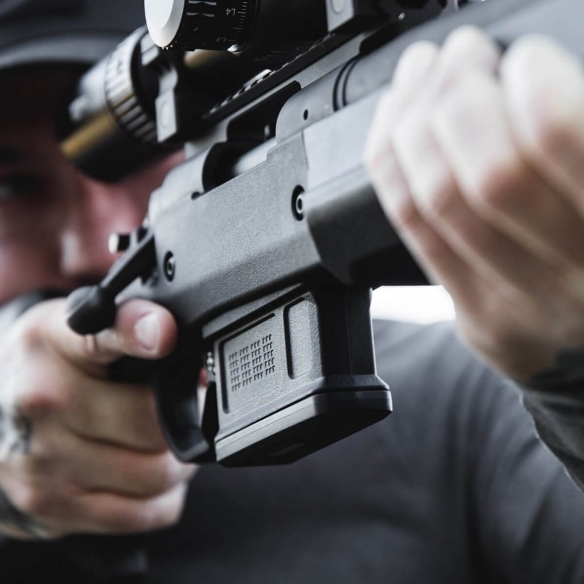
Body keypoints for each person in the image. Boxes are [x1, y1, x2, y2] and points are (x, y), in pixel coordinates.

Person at [1, 0, 584, 583]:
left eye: (137, 164)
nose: (92, 243)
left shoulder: (460, 405)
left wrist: (572, 384)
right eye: (14, 187)